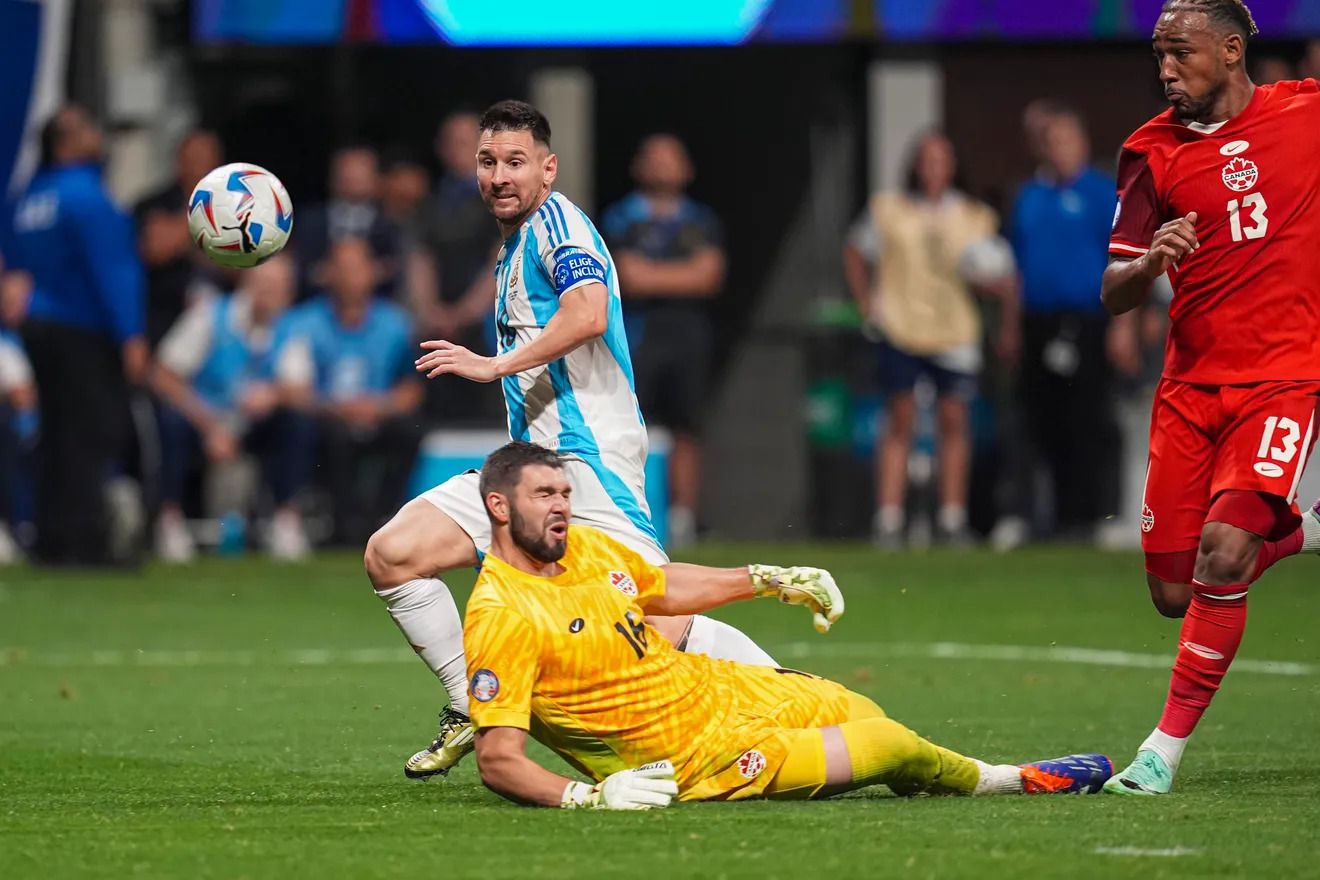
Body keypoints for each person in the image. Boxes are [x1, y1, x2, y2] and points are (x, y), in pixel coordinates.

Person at [364, 100, 781, 781]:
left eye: (516, 163)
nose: (500, 176)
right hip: (526, 472)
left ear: (548, 170)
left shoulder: (559, 223)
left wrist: (494, 364)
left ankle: (789, 691)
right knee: (394, 553)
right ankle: (472, 700)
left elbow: (586, 313)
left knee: (651, 622)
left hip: (590, 472)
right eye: (488, 162)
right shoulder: (511, 247)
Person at [465, 441, 1112, 808]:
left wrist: (770, 578)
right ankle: (1009, 778)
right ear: (499, 505)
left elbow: (663, 588)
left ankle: (940, 775)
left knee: (857, 708)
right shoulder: (502, 614)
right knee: (888, 745)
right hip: (694, 757)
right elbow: (498, 761)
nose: (561, 508)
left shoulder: (583, 548)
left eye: (565, 494)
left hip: (719, 691)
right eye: (544, 496)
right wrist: (589, 798)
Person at [1101, 0, 1320, 795]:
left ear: (1232, 50)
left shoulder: (1306, 113)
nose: (1165, 70)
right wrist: (1150, 263)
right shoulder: (1148, 152)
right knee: (1171, 592)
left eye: (1180, 54)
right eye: (1158, 55)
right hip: (1189, 390)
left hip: (1286, 379)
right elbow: (1113, 291)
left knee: (1223, 554)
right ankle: (1304, 533)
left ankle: (1160, 753)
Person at [842, 130, 1018, 548]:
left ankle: (952, 516)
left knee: (954, 421)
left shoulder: (974, 216)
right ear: (915, 166)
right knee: (899, 418)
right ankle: (889, 517)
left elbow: (1002, 276)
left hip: (954, 330)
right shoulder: (890, 209)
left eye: (942, 160)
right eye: (926, 160)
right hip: (902, 326)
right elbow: (855, 249)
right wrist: (867, 301)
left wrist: (994, 296)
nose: (934, 168)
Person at [0, 106, 146, 565]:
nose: (94, 134)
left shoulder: (31, 197)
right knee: (91, 432)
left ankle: (52, 538)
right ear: (65, 142)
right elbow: (113, 271)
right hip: (82, 329)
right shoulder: (88, 196)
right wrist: (131, 335)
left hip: (39, 329)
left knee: (56, 433)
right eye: (84, 129)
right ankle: (86, 542)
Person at [1010, 107, 1131, 538]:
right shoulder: (1029, 197)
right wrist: (1011, 326)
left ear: (1081, 144)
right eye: (1052, 141)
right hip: (1040, 322)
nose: (1059, 149)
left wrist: (1123, 325)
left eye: (1066, 140)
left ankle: (1087, 517)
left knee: (1087, 420)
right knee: (1044, 420)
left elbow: (1123, 260)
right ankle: (1047, 516)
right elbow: (1016, 268)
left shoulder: (1102, 195)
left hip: (1089, 321)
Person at [600, 134, 725, 549]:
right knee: (634, 424)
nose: (663, 167)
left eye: (671, 158)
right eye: (654, 158)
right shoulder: (621, 219)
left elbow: (709, 275)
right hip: (638, 334)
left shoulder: (701, 221)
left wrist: (656, 276)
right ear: (639, 167)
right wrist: (680, 276)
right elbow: (627, 276)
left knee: (687, 425)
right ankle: (632, 513)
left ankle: (684, 518)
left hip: (689, 335)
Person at [151, 253, 313, 561]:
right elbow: (164, 374)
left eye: (280, 287)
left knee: (297, 422)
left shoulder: (290, 328)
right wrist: (210, 427)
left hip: (252, 425)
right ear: (248, 283)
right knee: (170, 420)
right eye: (265, 284)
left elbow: (301, 390)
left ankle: (285, 519)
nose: (272, 294)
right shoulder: (210, 316)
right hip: (204, 420)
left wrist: (274, 394)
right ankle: (169, 519)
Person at [283, 237, 422, 545]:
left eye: (358, 268)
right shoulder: (303, 323)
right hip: (326, 416)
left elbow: (411, 388)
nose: (351, 276)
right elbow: (292, 389)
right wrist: (335, 407)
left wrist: (379, 406)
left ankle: (388, 517)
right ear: (328, 273)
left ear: (373, 272)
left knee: (409, 431)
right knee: (326, 435)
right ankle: (343, 527)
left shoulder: (396, 324)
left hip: (378, 413)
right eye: (343, 268)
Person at [407, 112, 502, 424]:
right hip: (437, 325)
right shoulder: (429, 204)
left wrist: (464, 314)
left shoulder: (501, 200)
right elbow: (421, 260)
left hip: (485, 325)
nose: (458, 149)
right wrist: (430, 311)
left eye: (466, 142)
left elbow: (498, 261)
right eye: (452, 142)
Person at [135, 129, 223, 350]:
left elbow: (244, 264)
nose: (199, 166)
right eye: (192, 159)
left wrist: (182, 237)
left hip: (220, 322)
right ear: (179, 162)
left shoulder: (237, 206)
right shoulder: (152, 205)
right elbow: (156, 249)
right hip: (166, 317)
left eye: (205, 159)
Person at [296, 146, 401, 300]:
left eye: (360, 174)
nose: (353, 179)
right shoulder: (311, 221)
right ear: (333, 178)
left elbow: (394, 270)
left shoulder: (391, 224)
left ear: (376, 179)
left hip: (377, 311)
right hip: (316, 308)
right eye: (348, 173)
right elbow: (301, 269)